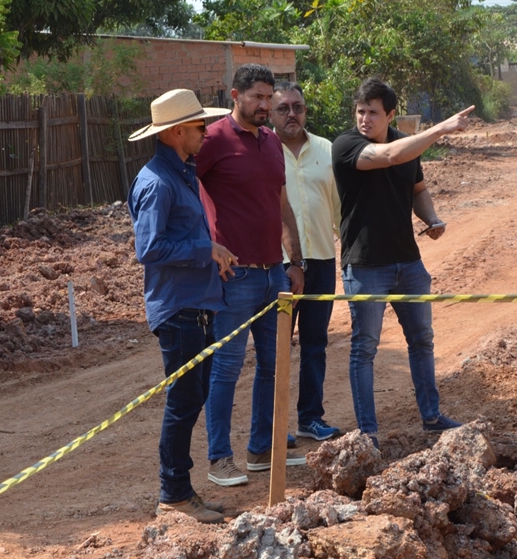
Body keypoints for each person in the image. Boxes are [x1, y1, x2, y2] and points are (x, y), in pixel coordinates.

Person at [332, 78, 473, 447]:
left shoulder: (406, 146)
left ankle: (431, 417)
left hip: (407, 263)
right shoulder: (347, 145)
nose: (365, 119)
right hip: (365, 265)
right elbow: (390, 157)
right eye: (360, 111)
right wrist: (441, 129)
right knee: (365, 348)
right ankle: (368, 433)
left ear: (390, 114)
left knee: (422, 340)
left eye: (373, 113)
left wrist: (432, 220)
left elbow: (418, 190)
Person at [196, 64, 307, 487]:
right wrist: (205, 243)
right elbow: (187, 191)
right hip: (235, 277)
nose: (265, 105)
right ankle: (219, 458)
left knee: (273, 365)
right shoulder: (212, 140)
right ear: (235, 95)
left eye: (268, 97)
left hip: (273, 274)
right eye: (257, 97)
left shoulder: (272, 143)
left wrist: (295, 261)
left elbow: (281, 205)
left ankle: (262, 449)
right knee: (226, 367)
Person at [127, 89, 235, 523]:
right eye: (197, 126)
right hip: (178, 309)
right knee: (184, 400)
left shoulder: (182, 173)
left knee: (192, 398)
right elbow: (149, 248)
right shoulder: (157, 181)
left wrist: (211, 251)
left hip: (196, 304)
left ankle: (181, 491)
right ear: (175, 132)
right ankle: (173, 494)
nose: (206, 132)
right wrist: (204, 248)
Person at [269, 81, 341, 442]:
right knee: (277, 348)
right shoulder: (262, 151)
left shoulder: (327, 150)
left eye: (297, 106)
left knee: (315, 344)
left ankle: (309, 418)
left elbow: (340, 208)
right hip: (279, 267)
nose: (292, 114)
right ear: (271, 113)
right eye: (283, 108)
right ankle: (274, 428)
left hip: (323, 262)